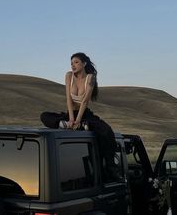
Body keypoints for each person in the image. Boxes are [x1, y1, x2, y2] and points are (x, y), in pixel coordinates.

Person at [41, 52, 123, 182]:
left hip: (84, 114)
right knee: (44, 116)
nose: (73, 65)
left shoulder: (90, 78)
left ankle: (111, 167)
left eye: (76, 62)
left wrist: (78, 119)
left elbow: (84, 101)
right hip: (70, 114)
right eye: (71, 63)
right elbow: (68, 99)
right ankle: (66, 124)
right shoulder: (69, 76)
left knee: (107, 131)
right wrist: (71, 119)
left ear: (84, 63)